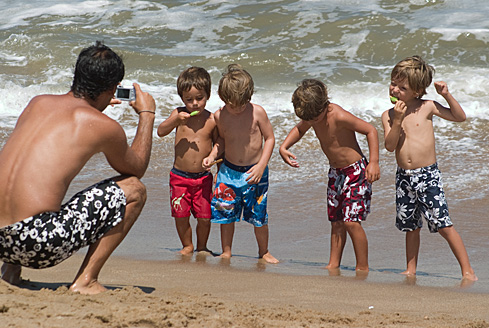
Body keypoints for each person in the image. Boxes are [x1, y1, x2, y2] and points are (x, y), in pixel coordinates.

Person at [0, 41, 157, 294]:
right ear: (112, 88)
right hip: (33, 244)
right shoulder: (102, 125)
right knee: (135, 190)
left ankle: (10, 271)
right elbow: (136, 168)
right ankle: (86, 280)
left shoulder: (37, 103)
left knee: (28, 183)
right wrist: (147, 115)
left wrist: (98, 106)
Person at [381, 55, 477, 281]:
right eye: (393, 83)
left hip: (427, 176)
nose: (395, 88)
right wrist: (397, 121)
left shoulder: (427, 107)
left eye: (402, 87)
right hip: (403, 177)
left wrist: (446, 94)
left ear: (417, 91)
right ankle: (410, 269)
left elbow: (459, 117)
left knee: (443, 225)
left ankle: (467, 270)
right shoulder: (389, 114)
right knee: (411, 226)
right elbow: (389, 145)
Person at [280, 79, 380, 272]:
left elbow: (370, 130)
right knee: (336, 221)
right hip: (336, 174)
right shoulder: (312, 116)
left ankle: (362, 267)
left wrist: (374, 162)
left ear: (324, 104)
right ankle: (333, 264)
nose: (312, 123)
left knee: (351, 221)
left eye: (315, 120)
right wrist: (284, 147)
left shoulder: (338, 115)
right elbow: (300, 128)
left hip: (356, 172)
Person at [202, 64, 278, 264]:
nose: (237, 108)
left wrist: (262, 165)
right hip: (229, 172)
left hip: (255, 172)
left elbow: (269, 138)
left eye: (241, 104)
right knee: (225, 214)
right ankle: (226, 251)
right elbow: (222, 141)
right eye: (232, 104)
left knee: (259, 216)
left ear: (249, 97)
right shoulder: (220, 115)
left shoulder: (257, 113)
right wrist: (211, 157)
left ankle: (264, 251)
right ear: (223, 98)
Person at [157, 67, 218, 256]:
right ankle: (187, 245)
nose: (194, 104)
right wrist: (175, 121)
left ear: (207, 94)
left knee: (205, 217)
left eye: (199, 98)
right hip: (179, 177)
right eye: (189, 99)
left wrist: (213, 158)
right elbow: (161, 131)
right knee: (181, 215)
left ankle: (202, 246)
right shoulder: (178, 114)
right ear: (182, 98)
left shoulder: (212, 119)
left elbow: (219, 143)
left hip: (203, 178)